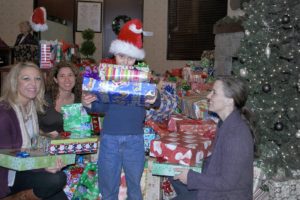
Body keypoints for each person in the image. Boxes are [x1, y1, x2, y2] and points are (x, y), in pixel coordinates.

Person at [82, 19, 160, 200]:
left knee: (135, 184)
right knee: (108, 184)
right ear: (114, 56)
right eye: (121, 56)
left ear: (136, 58)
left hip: (135, 139)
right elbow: (100, 107)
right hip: (110, 138)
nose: (125, 62)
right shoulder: (107, 80)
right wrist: (88, 104)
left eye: (130, 57)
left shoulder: (142, 78)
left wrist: (155, 97)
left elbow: (155, 101)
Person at [171, 76, 256, 200]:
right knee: (171, 174)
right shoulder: (224, 123)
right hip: (215, 188)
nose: (208, 96)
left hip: (225, 195)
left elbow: (227, 183)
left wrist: (191, 177)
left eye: (214, 93)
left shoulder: (236, 135)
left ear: (229, 100)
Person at [0, 62, 68, 199]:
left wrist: (53, 144)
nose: (34, 84)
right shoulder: (4, 113)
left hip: (25, 168)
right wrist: (44, 166)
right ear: (14, 82)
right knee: (57, 179)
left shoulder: (30, 107)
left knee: (58, 186)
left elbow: (32, 140)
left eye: (37, 79)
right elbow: (7, 157)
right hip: (8, 176)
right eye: (26, 78)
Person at [38, 61, 82, 138]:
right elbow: (30, 126)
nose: (67, 79)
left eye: (70, 75)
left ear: (75, 77)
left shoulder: (79, 100)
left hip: (70, 145)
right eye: (62, 76)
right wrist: (45, 134)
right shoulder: (44, 100)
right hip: (44, 145)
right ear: (55, 80)